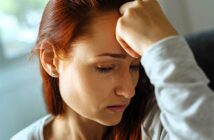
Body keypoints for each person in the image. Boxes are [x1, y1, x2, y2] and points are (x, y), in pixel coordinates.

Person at [11, 0, 214, 140]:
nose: (129, 91)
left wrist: (162, 43)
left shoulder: (158, 123)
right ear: (50, 60)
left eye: (135, 67)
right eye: (105, 68)